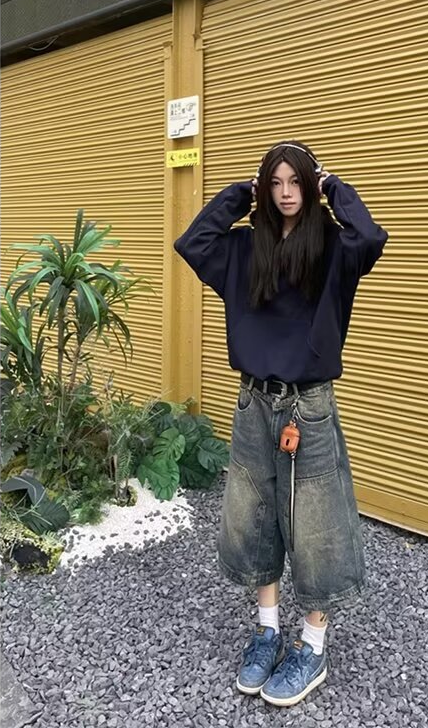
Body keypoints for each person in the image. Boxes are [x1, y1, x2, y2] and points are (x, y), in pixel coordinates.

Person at [173, 140, 389, 707]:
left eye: (297, 182)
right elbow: (192, 242)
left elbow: (370, 236)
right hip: (253, 402)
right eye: (275, 183)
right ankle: (267, 629)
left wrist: (333, 188)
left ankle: (312, 644)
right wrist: (238, 197)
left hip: (308, 407)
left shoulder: (334, 248)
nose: (286, 193)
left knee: (316, 523)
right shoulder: (246, 249)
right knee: (256, 516)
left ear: (310, 186)